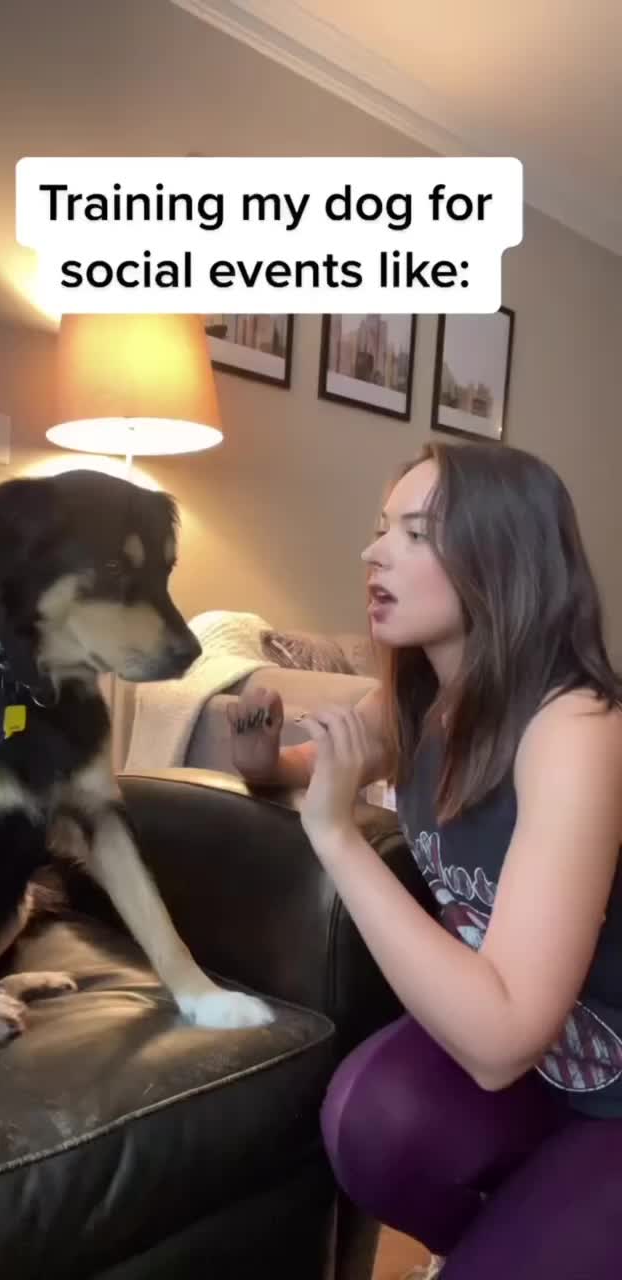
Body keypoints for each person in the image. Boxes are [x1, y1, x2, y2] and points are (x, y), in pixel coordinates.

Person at [227, 440, 622, 1280]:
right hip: (533, 1075)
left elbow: (502, 1038)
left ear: (500, 559)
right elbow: (304, 770)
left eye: (415, 533)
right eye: (382, 528)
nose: (373, 553)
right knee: (370, 1122)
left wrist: (337, 836)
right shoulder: (417, 699)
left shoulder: (577, 728)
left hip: (609, 1098)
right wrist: (261, 755)